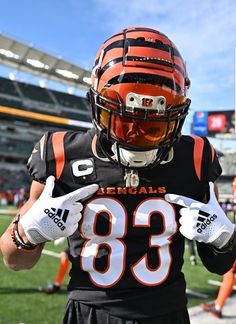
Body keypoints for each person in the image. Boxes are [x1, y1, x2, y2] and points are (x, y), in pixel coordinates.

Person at [0, 26, 236, 324]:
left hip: (168, 313)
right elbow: (14, 260)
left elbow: (220, 264)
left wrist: (224, 240)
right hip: (90, 314)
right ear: (98, 104)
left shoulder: (196, 157)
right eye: (125, 120)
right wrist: (27, 234)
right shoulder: (61, 153)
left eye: (154, 126)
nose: (136, 134)